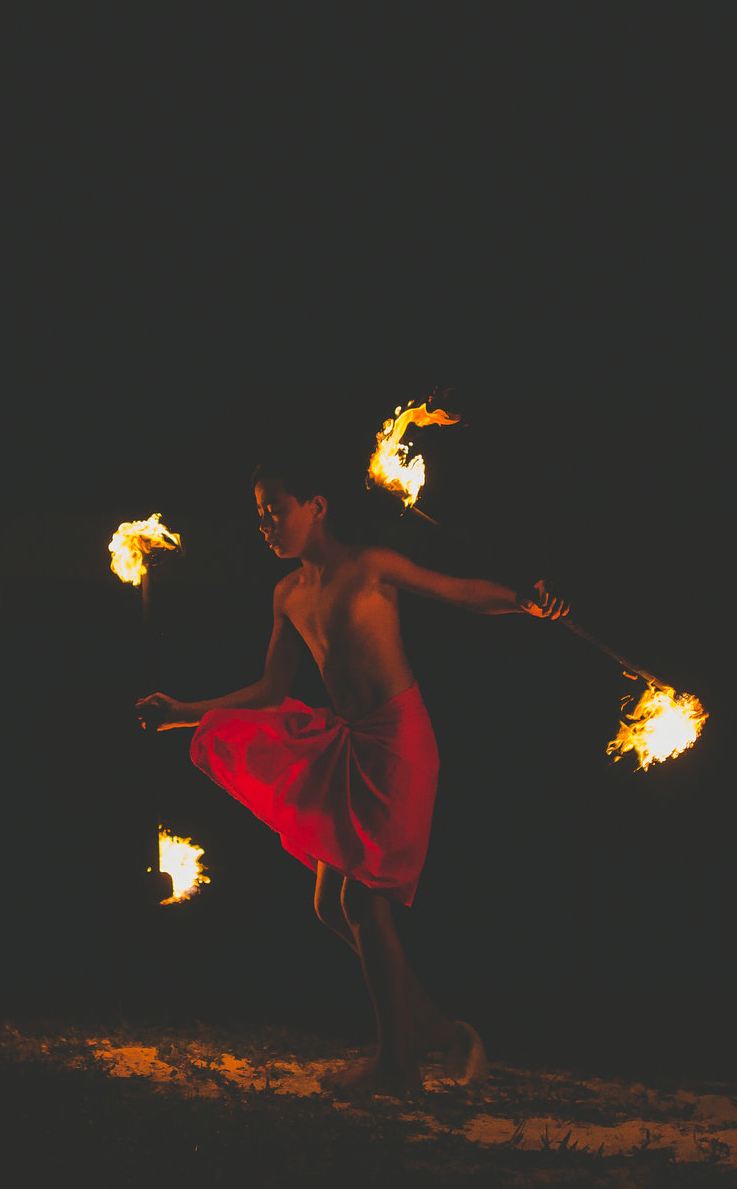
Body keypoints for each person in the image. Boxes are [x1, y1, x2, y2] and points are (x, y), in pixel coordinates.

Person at [136, 449, 569, 1096]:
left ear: (316, 506)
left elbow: (456, 592)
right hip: (347, 747)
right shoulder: (287, 594)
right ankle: (437, 1030)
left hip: (397, 740)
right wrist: (180, 712)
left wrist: (523, 603)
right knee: (328, 902)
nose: (265, 525)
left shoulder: (368, 566)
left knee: (360, 898)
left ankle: (398, 1065)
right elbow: (270, 687)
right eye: (258, 516)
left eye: (274, 511)